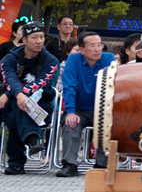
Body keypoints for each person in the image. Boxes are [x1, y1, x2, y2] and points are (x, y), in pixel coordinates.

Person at [0, 22, 59, 175]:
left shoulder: (51, 61)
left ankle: (16, 163)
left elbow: (40, 84)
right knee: (15, 108)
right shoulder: (9, 59)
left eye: (41, 37)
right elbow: (10, 79)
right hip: (16, 104)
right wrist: (16, 95)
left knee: (15, 110)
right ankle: (32, 139)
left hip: (42, 105)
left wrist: (11, 94)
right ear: (24, 40)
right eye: (34, 37)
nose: (39, 41)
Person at [56, 31, 116, 176]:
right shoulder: (73, 60)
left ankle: (102, 164)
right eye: (92, 46)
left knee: (108, 124)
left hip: (102, 108)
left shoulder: (109, 58)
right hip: (79, 109)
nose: (97, 49)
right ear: (82, 50)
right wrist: (70, 111)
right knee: (71, 123)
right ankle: (70, 164)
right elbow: (69, 86)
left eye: (99, 45)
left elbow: (112, 85)